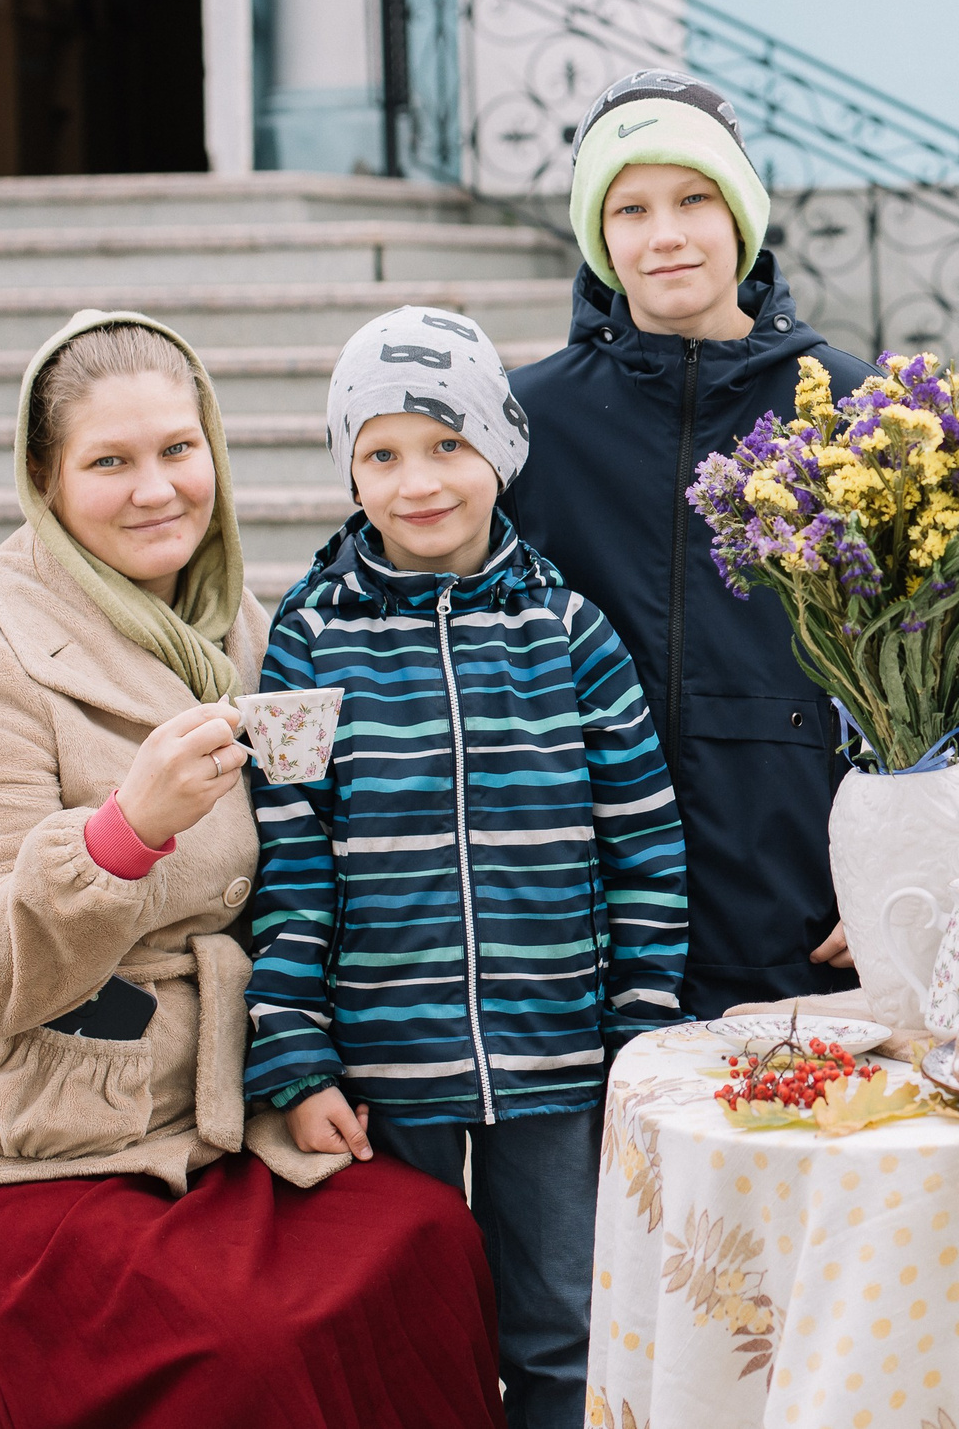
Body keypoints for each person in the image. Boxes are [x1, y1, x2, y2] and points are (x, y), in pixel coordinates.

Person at [0, 312, 504, 1428]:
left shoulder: (236, 627)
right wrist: (123, 831)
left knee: (426, 1238)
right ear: (45, 478)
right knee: (249, 1352)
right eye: (109, 462)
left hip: (187, 1115)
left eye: (179, 451)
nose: (156, 490)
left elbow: (300, 874)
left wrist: (307, 1063)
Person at [243, 307, 686, 1427]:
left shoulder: (570, 632)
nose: (417, 482)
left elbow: (640, 839)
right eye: (381, 454)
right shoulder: (306, 639)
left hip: (557, 1059)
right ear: (349, 469)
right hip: (386, 1070)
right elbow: (285, 858)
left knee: (560, 1325)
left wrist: (636, 1028)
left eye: (447, 445)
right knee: (409, 1319)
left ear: (500, 451)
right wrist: (294, 1055)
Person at [505, 70, 870, 1018]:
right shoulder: (530, 422)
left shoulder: (851, 406)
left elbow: (924, 655)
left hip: (802, 909)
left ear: (741, 213)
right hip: (587, 920)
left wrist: (895, 856)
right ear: (599, 235)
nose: (664, 233)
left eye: (694, 198)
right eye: (629, 208)